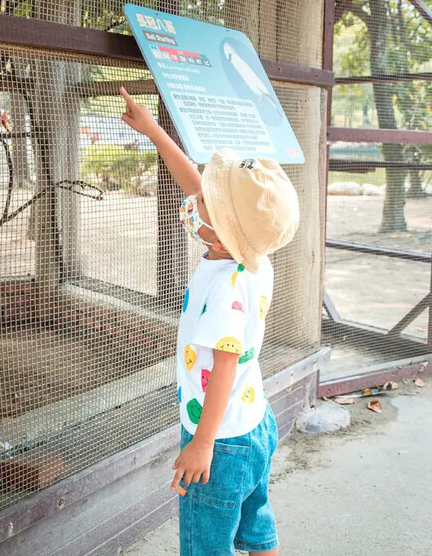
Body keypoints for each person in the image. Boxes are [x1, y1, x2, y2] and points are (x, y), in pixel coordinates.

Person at [120, 87, 300, 556]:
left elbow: (223, 367)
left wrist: (201, 444)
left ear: (220, 236)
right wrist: (155, 131)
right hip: (256, 423)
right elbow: (197, 186)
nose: (194, 204)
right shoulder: (254, 257)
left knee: (205, 544)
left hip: (219, 441)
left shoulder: (224, 288)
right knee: (257, 523)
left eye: (204, 206)